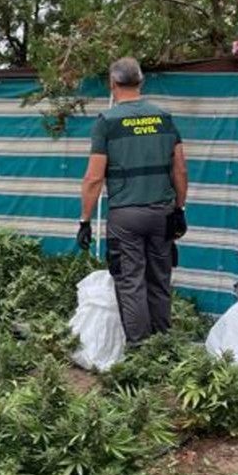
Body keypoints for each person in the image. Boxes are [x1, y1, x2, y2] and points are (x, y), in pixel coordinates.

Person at [76, 57, 188, 345]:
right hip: (163, 214)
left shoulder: (107, 122)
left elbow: (93, 178)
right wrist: (180, 208)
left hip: (125, 217)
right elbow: (180, 170)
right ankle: (163, 346)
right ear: (141, 81)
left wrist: (85, 220)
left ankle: (140, 349)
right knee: (160, 279)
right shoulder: (164, 118)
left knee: (131, 281)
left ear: (112, 83)